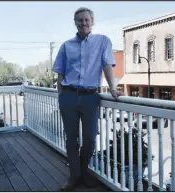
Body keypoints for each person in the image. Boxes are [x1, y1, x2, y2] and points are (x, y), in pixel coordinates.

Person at [52, 7, 123, 191]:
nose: (83, 23)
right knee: (71, 140)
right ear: (75, 22)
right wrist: (61, 94)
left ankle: (82, 172)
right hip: (68, 96)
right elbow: (60, 72)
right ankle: (74, 177)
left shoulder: (103, 41)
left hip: (91, 97)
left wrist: (113, 88)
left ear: (92, 22)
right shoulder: (66, 45)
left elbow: (107, 66)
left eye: (86, 20)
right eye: (80, 20)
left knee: (90, 139)